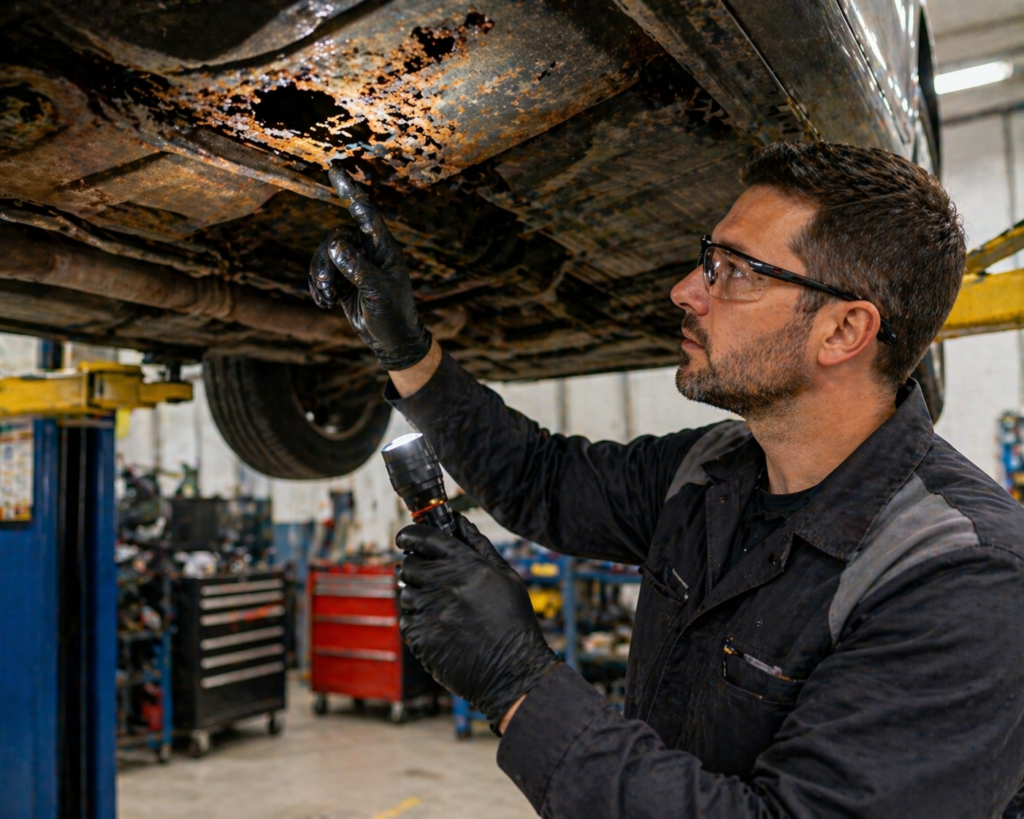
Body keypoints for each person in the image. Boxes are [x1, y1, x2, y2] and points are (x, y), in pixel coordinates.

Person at [309, 142, 1024, 818]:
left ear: (843, 332)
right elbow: (540, 478)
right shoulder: (712, 469)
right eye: (705, 259)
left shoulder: (963, 577)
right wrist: (405, 347)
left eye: (735, 270)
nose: (686, 290)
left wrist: (519, 685)